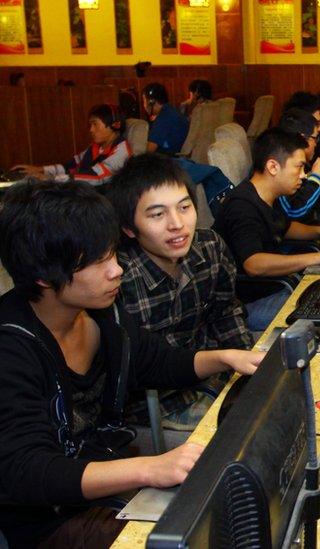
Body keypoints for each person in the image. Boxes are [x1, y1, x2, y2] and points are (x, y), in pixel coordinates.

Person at [0, 180, 262, 548]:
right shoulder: (12, 347)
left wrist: (224, 357)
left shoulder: (101, 313)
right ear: (44, 276)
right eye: (98, 262)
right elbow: (26, 472)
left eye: (113, 254)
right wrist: (151, 468)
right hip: (52, 522)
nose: (117, 270)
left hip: (109, 486)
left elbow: (157, 361)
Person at [105, 153, 252, 432]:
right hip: (155, 403)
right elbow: (127, 369)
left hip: (213, 377)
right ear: (129, 228)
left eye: (184, 207)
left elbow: (225, 311)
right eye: (158, 214)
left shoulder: (209, 246)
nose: (177, 224)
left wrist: (245, 365)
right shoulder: (117, 278)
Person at [212, 128, 320, 330]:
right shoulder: (241, 205)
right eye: (299, 167)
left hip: (274, 287)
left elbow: (285, 227)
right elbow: (254, 264)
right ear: (273, 167)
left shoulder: (267, 195)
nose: (303, 176)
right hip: (244, 306)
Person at [14, 104, 131, 186]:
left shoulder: (122, 151)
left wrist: (51, 179)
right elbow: (70, 166)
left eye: (95, 124)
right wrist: (40, 170)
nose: (91, 130)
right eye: (90, 125)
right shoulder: (96, 147)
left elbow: (96, 176)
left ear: (115, 125)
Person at [142, 83, 190, 155]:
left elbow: (149, 152)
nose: (144, 105)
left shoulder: (163, 118)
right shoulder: (170, 110)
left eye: (144, 101)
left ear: (151, 102)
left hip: (171, 160)